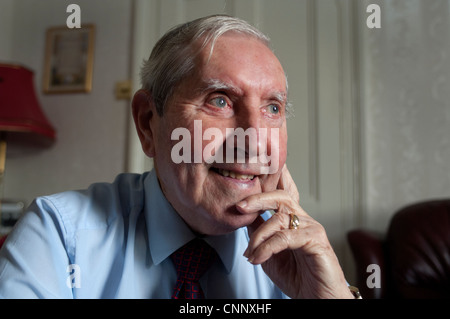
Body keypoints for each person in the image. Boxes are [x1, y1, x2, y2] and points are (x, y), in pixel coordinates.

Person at [0, 15, 356, 299]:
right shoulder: (59, 237)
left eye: (273, 108)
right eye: (219, 100)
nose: (254, 140)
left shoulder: (297, 262)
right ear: (147, 123)